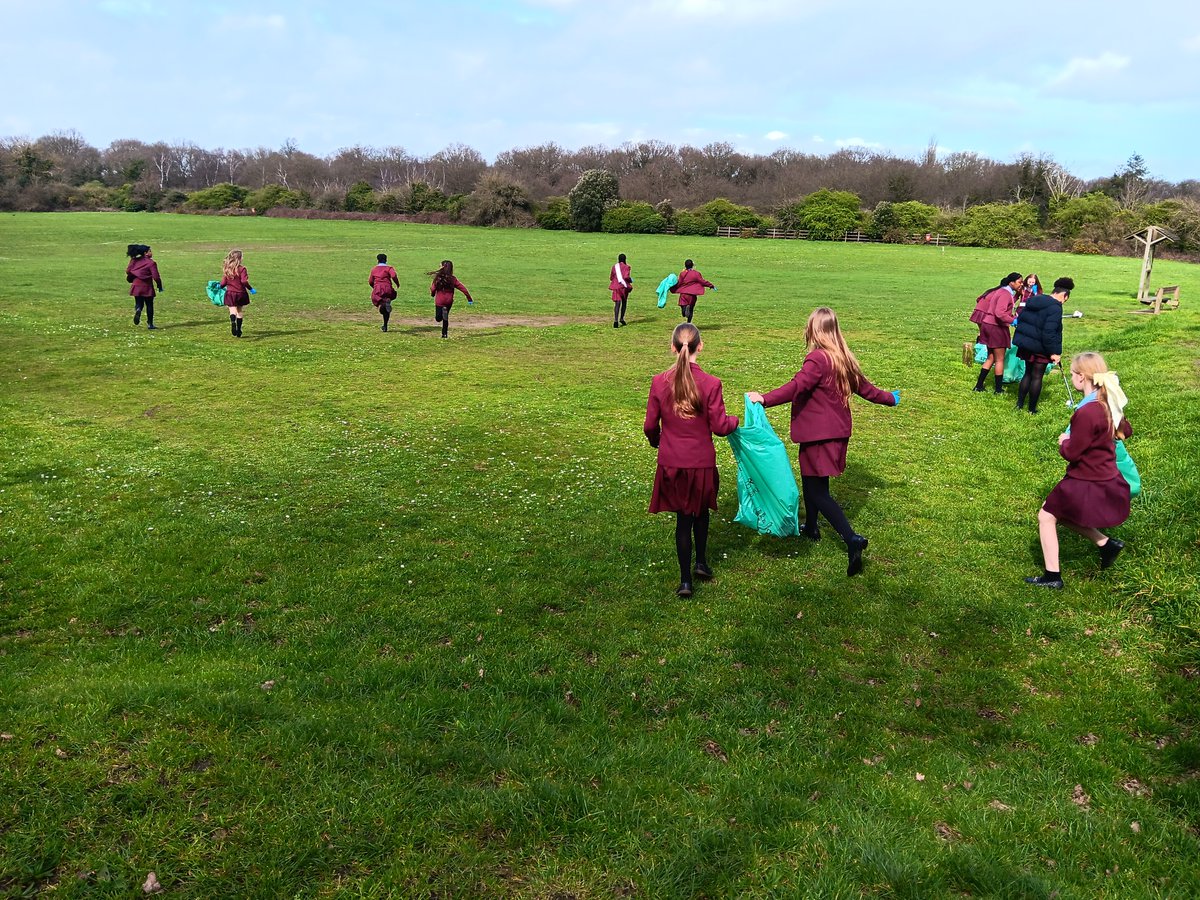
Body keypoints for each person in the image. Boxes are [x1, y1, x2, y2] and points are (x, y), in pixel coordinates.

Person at [748, 307, 899, 577]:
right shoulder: (844, 358)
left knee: (818, 491)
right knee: (811, 479)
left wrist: (765, 398)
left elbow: (797, 386)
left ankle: (851, 539)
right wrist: (891, 398)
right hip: (834, 433)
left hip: (820, 435)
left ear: (815, 330)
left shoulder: (817, 359)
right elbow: (867, 390)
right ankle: (812, 527)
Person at [644, 323, 739, 598]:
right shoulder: (711, 383)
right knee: (701, 511)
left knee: (683, 520)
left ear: (673, 347)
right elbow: (720, 426)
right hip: (701, 463)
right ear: (701, 346)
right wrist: (735, 421)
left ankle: (686, 580)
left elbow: (651, 425)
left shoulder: (659, 382)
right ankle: (701, 562)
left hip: (673, 462)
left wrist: (657, 441)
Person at [1026, 352, 1131, 589]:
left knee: (1046, 516)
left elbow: (1073, 453)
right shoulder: (1108, 402)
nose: (1072, 378)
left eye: (1073, 374)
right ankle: (1106, 544)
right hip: (1105, 474)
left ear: (1081, 377)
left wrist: (1064, 441)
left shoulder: (1087, 412)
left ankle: (1052, 577)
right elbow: (1126, 431)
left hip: (1085, 477)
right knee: (1060, 514)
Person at [1013, 277, 1074, 414]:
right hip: (1040, 347)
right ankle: (1032, 409)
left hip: (1027, 344)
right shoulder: (1055, 308)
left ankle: (1019, 404)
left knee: (1027, 373)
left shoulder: (1034, 300)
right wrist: (1054, 352)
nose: (1063, 303)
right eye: (1065, 300)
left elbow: (1022, 319)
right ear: (1064, 295)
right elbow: (1049, 332)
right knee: (1037, 376)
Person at [970, 272, 1022, 393]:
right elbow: (1000, 313)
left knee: (991, 357)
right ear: (1011, 282)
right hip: (996, 327)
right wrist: (1013, 320)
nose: (1021, 285)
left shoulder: (1000, 291)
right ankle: (998, 389)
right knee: (1000, 359)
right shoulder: (1005, 294)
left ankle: (979, 386)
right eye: (1019, 282)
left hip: (988, 325)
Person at [429, 260, 473, 338]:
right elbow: (463, 288)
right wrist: (469, 299)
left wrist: (432, 294)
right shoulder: (453, 279)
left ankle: (442, 314)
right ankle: (444, 334)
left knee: (438, 318)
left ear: (442, 267)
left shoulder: (438, 278)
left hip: (440, 301)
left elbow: (433, 288)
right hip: (449, 301)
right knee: (445, 318)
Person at [126, 244, 163, 330]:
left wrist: (133, 276)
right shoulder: (151, 263)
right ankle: (150, 324)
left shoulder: (134, 260)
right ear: (145, 253)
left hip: (136, 285)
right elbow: (156, 276)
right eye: (150, 251)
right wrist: (159, 286)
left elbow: (128, 271)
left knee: (139, 302)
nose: (151, 252)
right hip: (147, 286)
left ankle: (138, 309)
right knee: (149, 305)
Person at [220, 249, 254, 337]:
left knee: (232, 310)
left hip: (230, 293)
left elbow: (223, 283)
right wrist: (250, 289)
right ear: (239, 258)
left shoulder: (228, 269)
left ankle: (232, 323)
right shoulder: (242, 269)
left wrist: (218, 287)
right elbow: (244, 281)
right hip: (241, 293)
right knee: (239, 311)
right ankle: (239, 330)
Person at [669, 259, 714, 323]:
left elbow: (679, 283)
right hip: (692, 295)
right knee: (691, 309)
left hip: (684, 294)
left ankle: (684, 311)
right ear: (692, 265)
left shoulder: (682, 273)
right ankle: (689, 323)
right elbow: (702, 281)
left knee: (683, 308)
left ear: (685, 265)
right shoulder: (696, 273)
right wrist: (711, 285)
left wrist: (672, 288)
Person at [369, 253, 400, 332]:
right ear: (386, 260)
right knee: (386, 309)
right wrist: (397, 283)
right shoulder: (389, 268)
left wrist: (375, 287)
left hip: (378, 289)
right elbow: (393, 276)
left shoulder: (374, 269)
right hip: (388, 288)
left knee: (376, 299)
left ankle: (382, 304)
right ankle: (385, 325)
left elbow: (370, 281)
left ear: (378, 260)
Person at [609, 253, 633, 328]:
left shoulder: (614, 267)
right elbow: (626, 277)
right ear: (625, 259)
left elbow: (611, 277)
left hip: (616, 286)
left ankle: (615, 321)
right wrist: (630, 280)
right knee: (624, 302)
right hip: (623, 287)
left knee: (617, 304)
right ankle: (622, 318)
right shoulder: (627, 267)